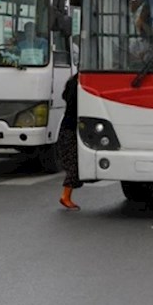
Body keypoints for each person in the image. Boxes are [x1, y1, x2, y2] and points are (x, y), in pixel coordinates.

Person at [57, 72, 82, 211]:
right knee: (75, 164)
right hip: (71, 129)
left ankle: (66, 196)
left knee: (74, 162)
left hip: (68, 127)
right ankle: (65, 196)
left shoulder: (72, 82)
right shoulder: (77, 86)